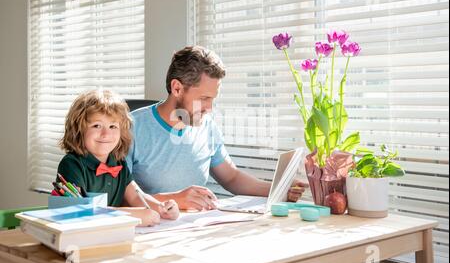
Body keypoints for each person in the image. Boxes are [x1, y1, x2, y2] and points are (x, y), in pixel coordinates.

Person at [126, 46, 309, 211]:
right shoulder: (130, 128)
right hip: (150, 231)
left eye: (213, 99)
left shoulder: (206, 126)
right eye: (204, 98)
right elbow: (115, 198)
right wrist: (174, 199)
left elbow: (231, 178)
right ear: (177, 88)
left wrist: (279, 189)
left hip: (194, 228)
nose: (210, 108)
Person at [57, 90, 179, 226]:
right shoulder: (72, 165)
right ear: (78, 130)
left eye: (113, 126)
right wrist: (132, 216)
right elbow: (80, 212)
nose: (106, 134)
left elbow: (135, 196)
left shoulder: (118, 162)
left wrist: (161, 208)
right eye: (96, 126)